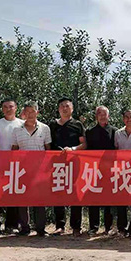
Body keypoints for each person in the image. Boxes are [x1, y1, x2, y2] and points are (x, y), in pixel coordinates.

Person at [12, 102, 52, 237]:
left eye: (32, 111)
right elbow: (14, 150)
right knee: (23, 199)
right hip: (22, 170)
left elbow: (48, 149)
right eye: (27, 111)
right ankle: (24, 227)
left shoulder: (45, 128)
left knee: (39, 199)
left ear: (37, 112)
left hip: (40, 170)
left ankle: (40, 228)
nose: (30, 114)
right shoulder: (17, 130)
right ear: (23, 113)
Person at [49, 98, 86, 236]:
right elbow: (47, 144)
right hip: (56, 164)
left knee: (76, 193)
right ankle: (60, 225)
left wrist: (73, 149)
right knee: (58, 192)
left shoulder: (78, 125)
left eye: (67, 106)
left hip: (74, 163)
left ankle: (76, 226)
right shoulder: (52, 125)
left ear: (72, 109)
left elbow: (84, 144)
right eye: (62, 106)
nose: (65, 108)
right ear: (58, 109)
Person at [0, 99, 24, 234]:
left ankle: (11, 224)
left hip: (16, 165)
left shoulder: (22, 124)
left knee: (13, 194)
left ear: (16, 108)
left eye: (11, 106)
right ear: (2, 109)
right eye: (5, 107)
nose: (8, 109)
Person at [85, 106, 116, 236]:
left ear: (108, 116)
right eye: (99, 114)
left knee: (109, 200)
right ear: (96, 116)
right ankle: (93, 226)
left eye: (104, 114)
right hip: (94, 169)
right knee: (93, 198)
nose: (102, 116)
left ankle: (108, 227)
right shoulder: (89, 132)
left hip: (110, 169)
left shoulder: (115, 131)